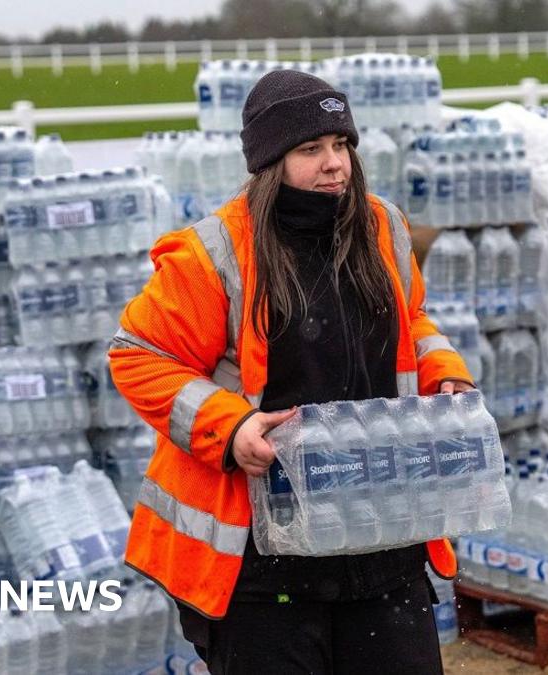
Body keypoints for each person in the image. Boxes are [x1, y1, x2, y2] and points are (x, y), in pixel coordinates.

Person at [109, 69, 475, 674]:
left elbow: (410, 320)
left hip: (381, 536)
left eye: (341, 145)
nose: (334, 164)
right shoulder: (214, 254)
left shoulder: (381, 226)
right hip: (262, 563)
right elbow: (139, 355)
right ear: (269, 162)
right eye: (311, 149)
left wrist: (443, 375)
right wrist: (229, 428)